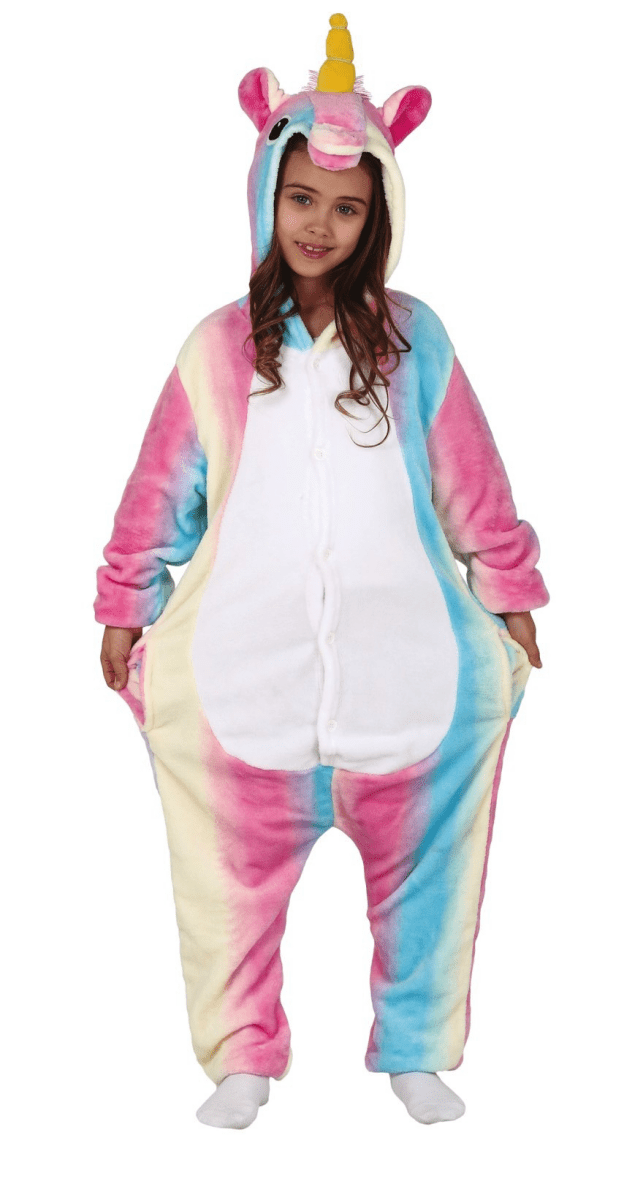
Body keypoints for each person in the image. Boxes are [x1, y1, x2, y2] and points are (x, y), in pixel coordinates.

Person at [95, 15, 549, 1131]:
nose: (318, 225)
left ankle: (416, 1051)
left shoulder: (413, 341)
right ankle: (241, 1058)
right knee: (223, 891)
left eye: (346, 209)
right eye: (301, 199)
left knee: (431, 881)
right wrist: (125, 604)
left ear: (376, 218)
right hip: (246, 677)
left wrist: (510, 600)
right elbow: (159, 494)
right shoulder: (217, 348)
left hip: (409, 677)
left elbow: (473, 484)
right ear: (266, 196)